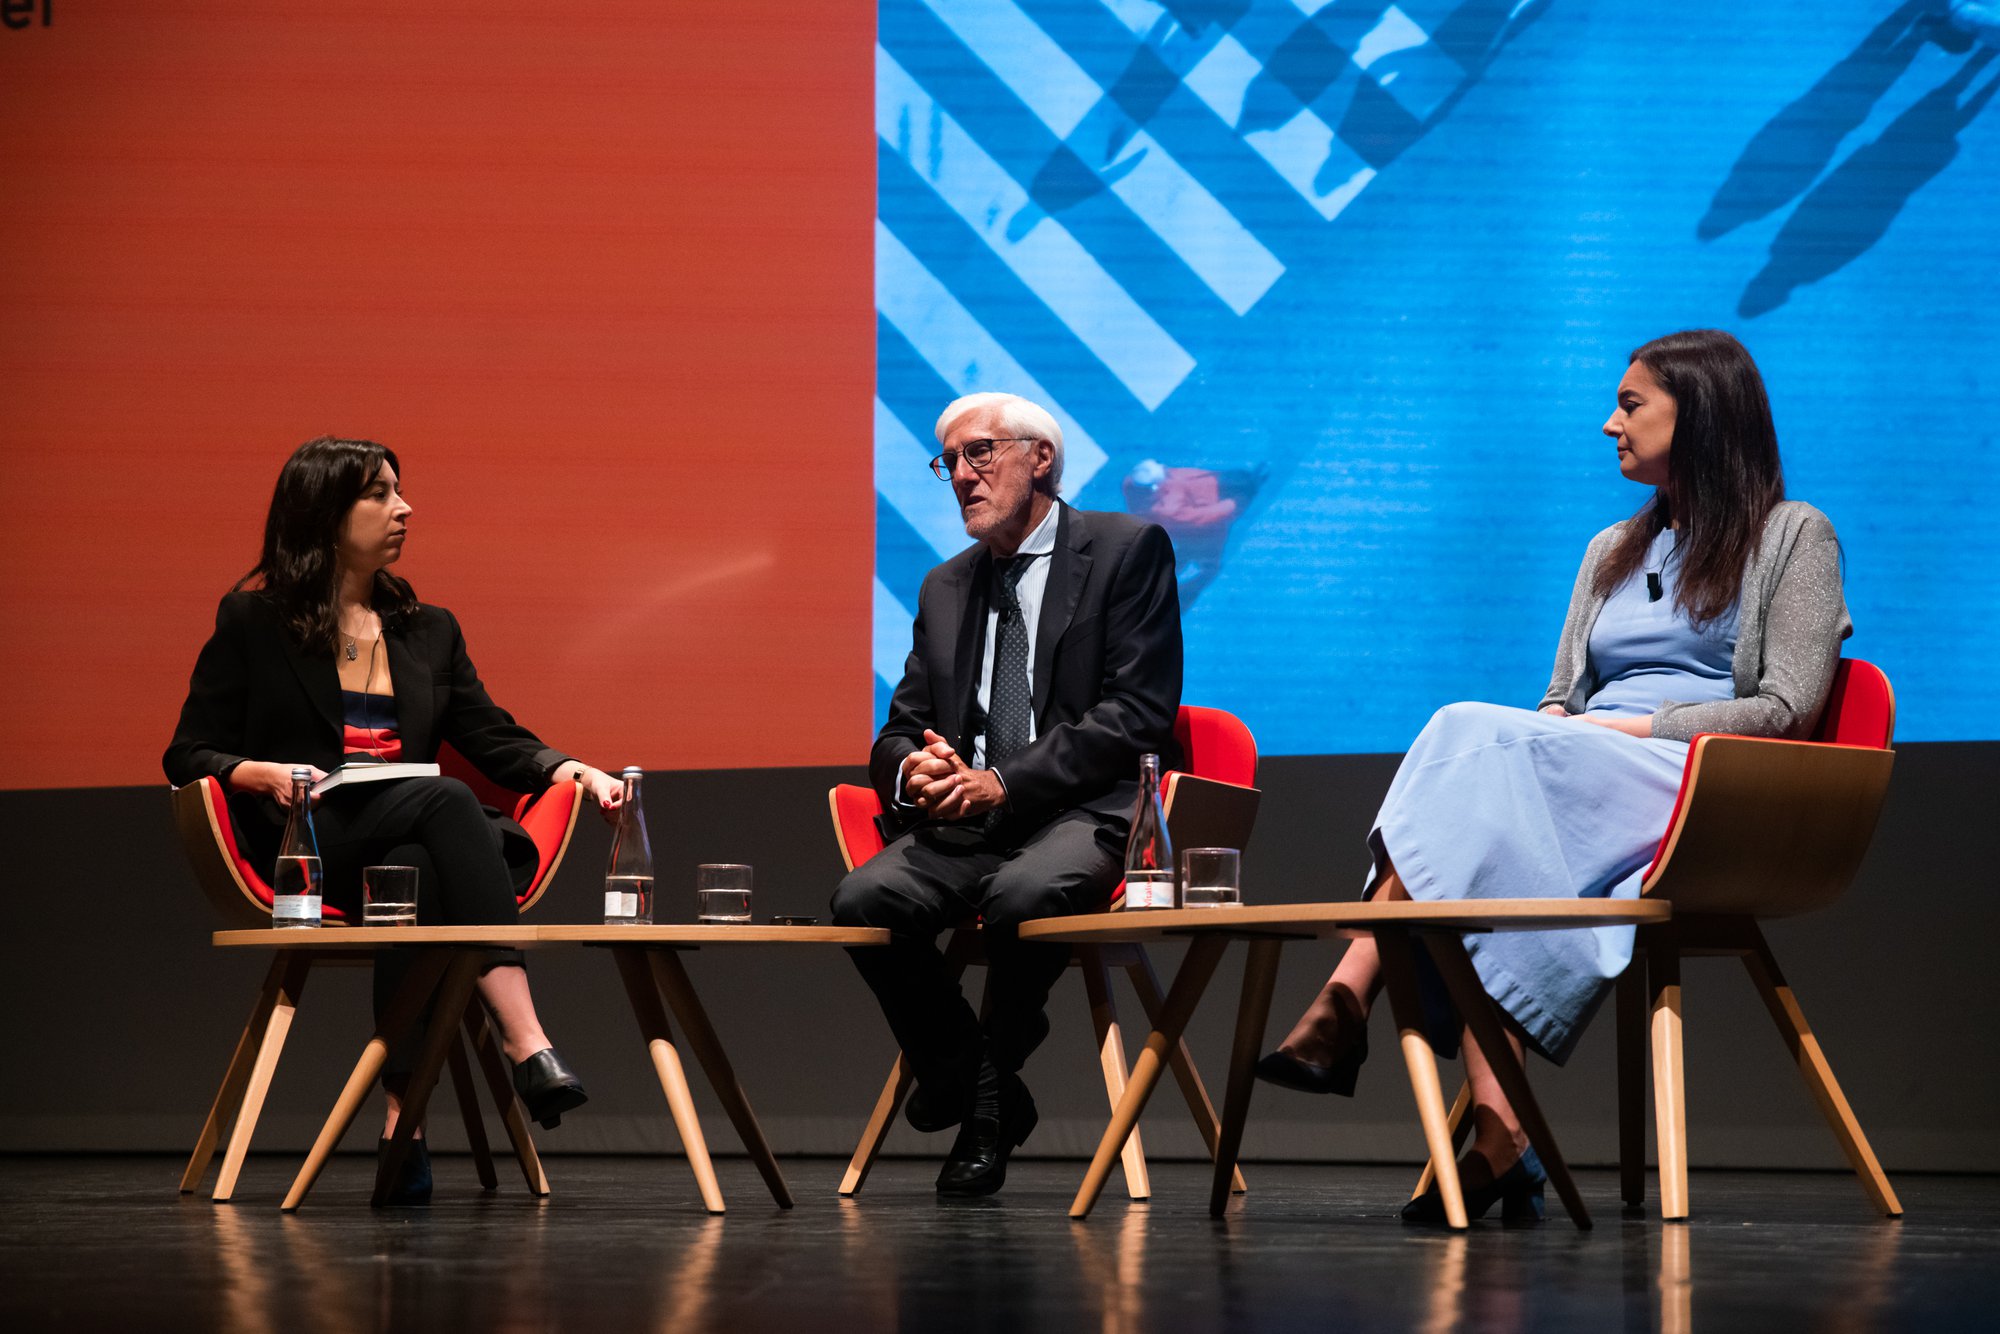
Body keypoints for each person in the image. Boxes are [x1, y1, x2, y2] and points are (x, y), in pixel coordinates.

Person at [1256, 330, 1852, 1224]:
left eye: (1631, 404)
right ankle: (1500, 1134)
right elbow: (1558, 700)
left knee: (1464, 731)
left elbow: (1787, 709)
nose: (1608, 422)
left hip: (1703, 786)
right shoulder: (1611, 546)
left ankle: (1353, 985)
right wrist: (1567, 729)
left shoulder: (1793, 534)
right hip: (1586, 768)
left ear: (1701, 414)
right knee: (1487, 808)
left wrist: (1635, 725)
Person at [164, 435, 626, 1204]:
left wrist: (573, 770)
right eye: (378, 494)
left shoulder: (428, 628)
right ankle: (526, 1037)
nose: (402, 509)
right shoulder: (254, 621)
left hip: (405, 842)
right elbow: (189, 753)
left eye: (400, 491)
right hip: (309, 843)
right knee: (447, 803)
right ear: (323, 513)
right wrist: (261, 775)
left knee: (414, 866)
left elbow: (492, 736)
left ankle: (400, 1131)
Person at [831, 392, 1184, 1197]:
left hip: (1082, 811)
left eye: (980, 453)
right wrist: (911, 774)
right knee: (862, 899)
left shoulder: (1126, 550)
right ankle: (983, 1082)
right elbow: (900, 728)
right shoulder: (945, 587)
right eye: (948, 461)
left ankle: (981, 1111)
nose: (960, 474)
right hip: (966, 824)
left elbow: (1137, 716)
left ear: (1042, 460)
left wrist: (1003, 782)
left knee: (1027, 893)